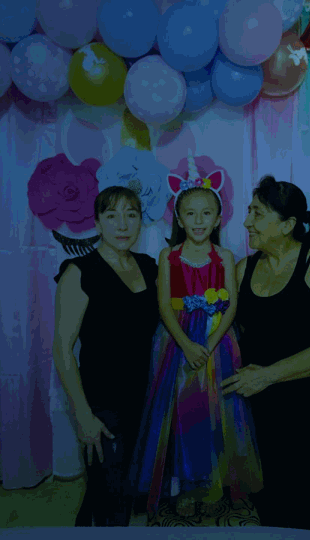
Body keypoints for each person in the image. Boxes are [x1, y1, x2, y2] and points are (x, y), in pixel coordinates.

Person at [128, 162, 263, 519]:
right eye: (190, 213)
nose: (198, 220)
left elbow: (232, 305)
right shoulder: (168, 256)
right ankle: (186, 486)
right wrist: (187, 345)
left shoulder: (225, 257)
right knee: (184, 414)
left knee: (219, 414)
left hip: (219, 344)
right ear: (179, 219)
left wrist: (213, 342)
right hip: (178, 343)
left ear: (218, 219)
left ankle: (214, 484)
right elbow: (164, 306)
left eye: (206, 213)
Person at [221, 175, 310, 534]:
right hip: (258, 412)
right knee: (268, 503)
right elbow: (223, 334)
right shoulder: (243, 269)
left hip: (309, 411)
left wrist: (266, 375)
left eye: (258, 213)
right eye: (248, 211)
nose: (246, 222)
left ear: (287, 224)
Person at [52, 186, 160, 527]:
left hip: (143, 398)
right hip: (101, 405)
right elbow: (62, 349)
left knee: (117, 490)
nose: (122, 225)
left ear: (141, 221)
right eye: (112, 216)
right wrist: (83, 415)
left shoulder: (149, 266)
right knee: (111, 497)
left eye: (131, 215)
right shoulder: (79, 272)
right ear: (98, 223)